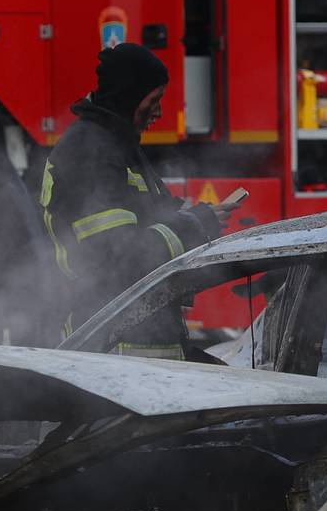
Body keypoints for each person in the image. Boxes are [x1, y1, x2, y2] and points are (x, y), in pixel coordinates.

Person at [41, 43, 239, 354]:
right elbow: (119, 260)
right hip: (114, 347)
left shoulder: (118, 146)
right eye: (154, 100)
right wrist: (195, 225)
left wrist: (203, 217)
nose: (159, 112)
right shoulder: (89, 154)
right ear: (129, 97)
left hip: (139, 341)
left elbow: (153, 210)